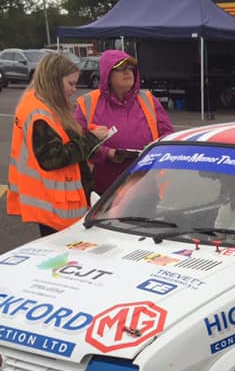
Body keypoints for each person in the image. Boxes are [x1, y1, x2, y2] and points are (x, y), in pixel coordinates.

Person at [7, 52, 110, 236]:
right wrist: (91, 139)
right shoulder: (40, 113)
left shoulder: (39, 104)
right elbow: (53, 158)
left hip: (52, 201)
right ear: (54, 81)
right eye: (70, 83)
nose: (74, 89)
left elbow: (57, 141)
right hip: (55, 205)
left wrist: (85, 136)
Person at [74, 50, 174, 195]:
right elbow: (78, 142)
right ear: (108, 74)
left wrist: (153, 150)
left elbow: (168, 135)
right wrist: (107, 153)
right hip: (104, 188)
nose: (127, 72)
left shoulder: (149, 100)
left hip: (145, 183)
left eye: (130, 68)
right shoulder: (87, 103)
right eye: (120, 68)